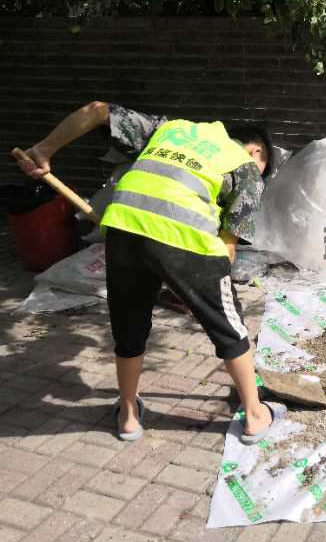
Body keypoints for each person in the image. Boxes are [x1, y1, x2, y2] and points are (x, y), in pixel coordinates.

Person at [16, 101, 285, 443]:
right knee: (229, 325)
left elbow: (98, 110)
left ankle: (128, 415)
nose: (259, 172)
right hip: (184, 238)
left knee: (129, 327)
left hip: (123, 229)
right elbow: (227, 248)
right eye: (264, 167)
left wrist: (42, 150)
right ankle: (255, 414)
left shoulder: (171, 129)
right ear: (256, 150)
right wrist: (196, 289)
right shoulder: (245, 167)